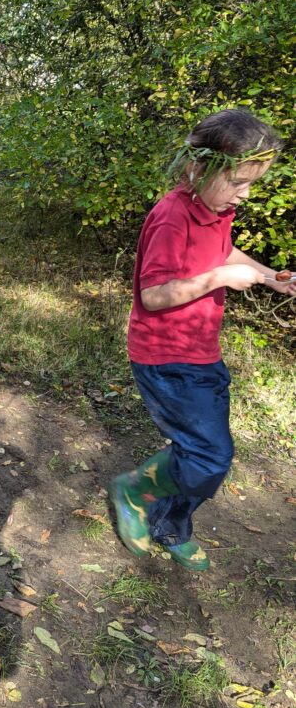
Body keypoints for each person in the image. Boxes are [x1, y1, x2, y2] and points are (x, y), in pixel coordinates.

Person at [109, 108, 296, 571]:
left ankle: (169, 525)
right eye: (238, 181)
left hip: (199, 350)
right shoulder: (173, 217)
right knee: (211, 455)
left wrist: (268, 274)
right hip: (165, 356)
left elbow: (223, 251)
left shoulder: (217, 209)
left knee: (202, 452)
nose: (246, 193)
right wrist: (220, 278)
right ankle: (133, 490)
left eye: (252, 182)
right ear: (198, 167)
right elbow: (154, 296)